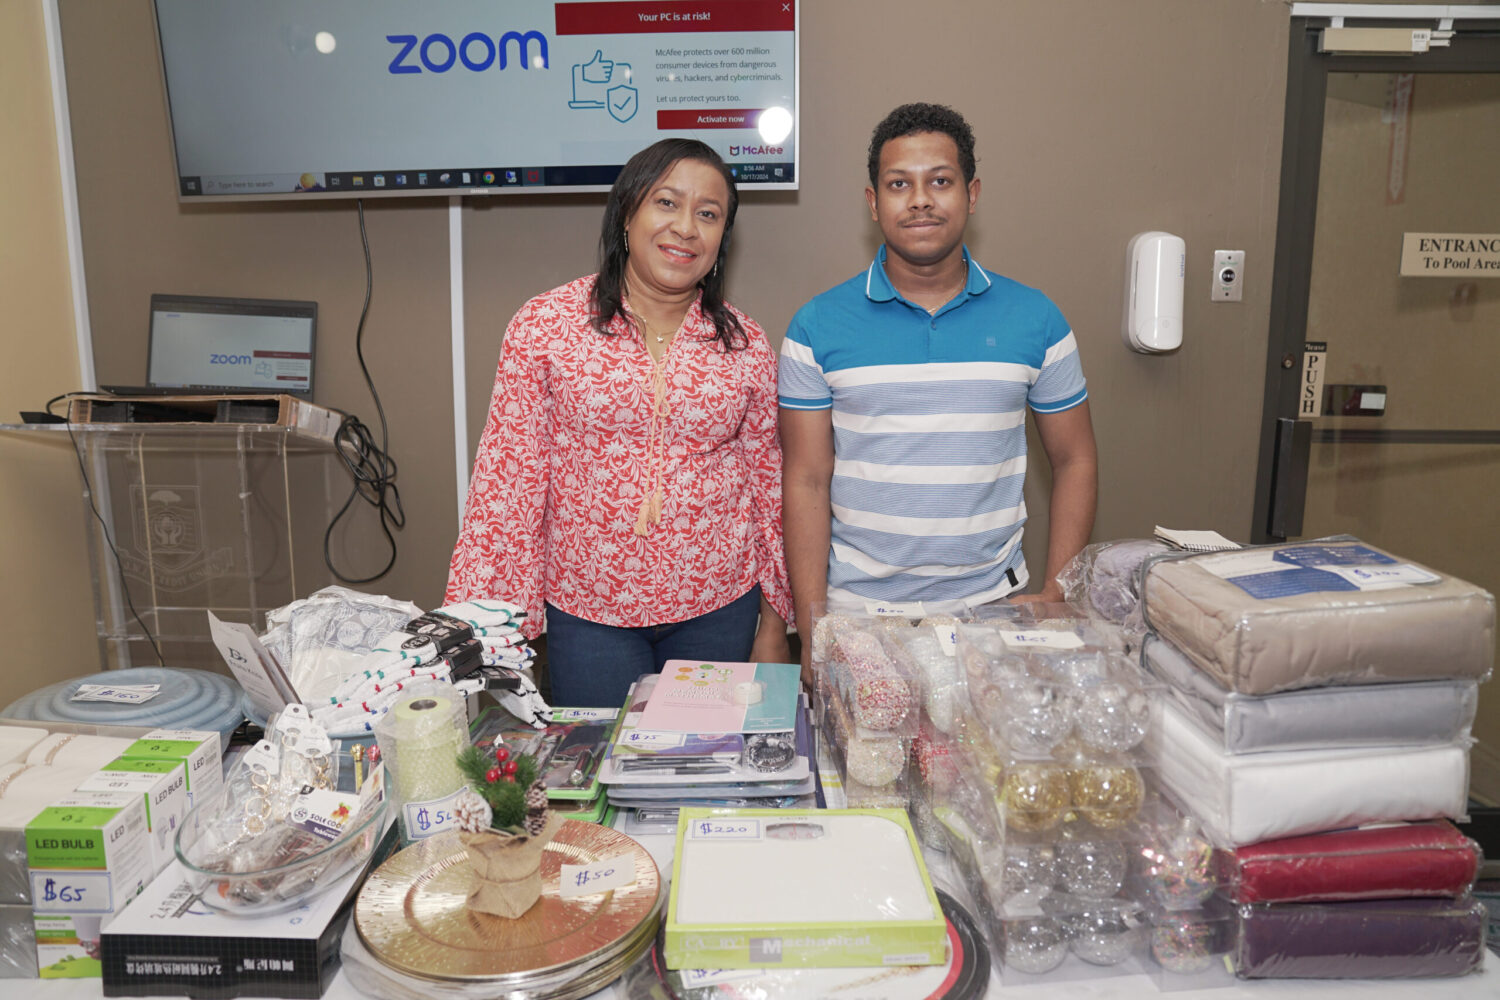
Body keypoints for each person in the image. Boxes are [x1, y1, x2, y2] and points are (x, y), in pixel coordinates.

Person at [447, 138, 793, 707]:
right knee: (601, 757)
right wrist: (497, 623)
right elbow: (509, 480)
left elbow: (769, 486)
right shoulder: (546, 326)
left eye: (708, 214)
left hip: (718, 607)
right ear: (627, 213)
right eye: (666, 203)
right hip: (589, 613)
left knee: (700, 756)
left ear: (721, 239)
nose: (686, 227)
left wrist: (775, 624)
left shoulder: (745, 344)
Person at [779, 103, 1098, 674]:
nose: (920, 199)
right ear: (873, 202)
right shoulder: (816, 326)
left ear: (972, 195)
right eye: (899, 184)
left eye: (940, 181)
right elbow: (806, 479)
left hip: (994, 612)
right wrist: (811, 625)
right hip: (857, 617)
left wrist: (1056, 592)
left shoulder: (1037, 319)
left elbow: (1075, 459)